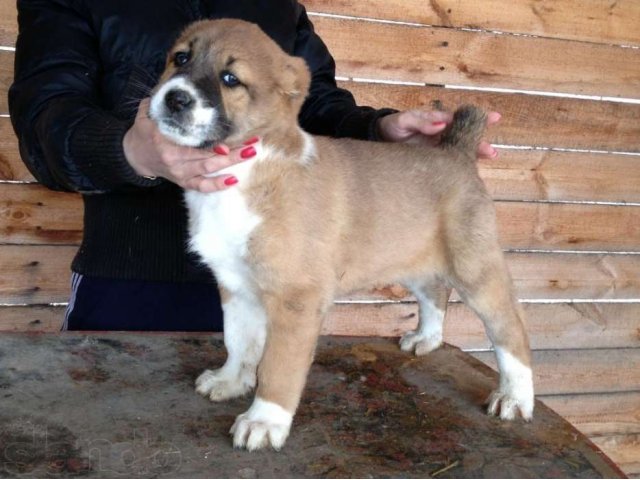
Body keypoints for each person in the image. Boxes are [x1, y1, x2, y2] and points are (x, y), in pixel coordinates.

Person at [9, 0, 498, 332]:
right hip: (130, 282)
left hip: (270, 276)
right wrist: (131, 151)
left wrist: (377, 128)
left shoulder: (276, 6)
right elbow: (45, 116)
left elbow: (313, 101)